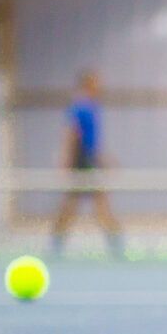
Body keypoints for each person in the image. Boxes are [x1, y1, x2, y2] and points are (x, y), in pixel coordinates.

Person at [49, 70, 123, 256]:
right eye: (96, 83)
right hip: (82, 163)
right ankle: (56, 245)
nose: (100, 87)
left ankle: (115, 244)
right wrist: (66, 160)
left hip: (89, 161)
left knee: (95, 203)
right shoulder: (81, 106)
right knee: (74, 205)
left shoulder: (93, 107)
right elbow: (72, 133)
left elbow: (91, 141)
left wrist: (102, 158)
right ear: (87, 85)